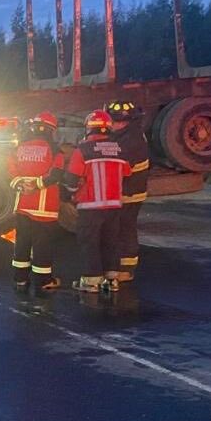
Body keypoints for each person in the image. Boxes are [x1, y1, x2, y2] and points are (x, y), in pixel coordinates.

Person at [63, 111, 130, 293]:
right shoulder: (119, 150)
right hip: (114, 205)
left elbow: (71, 180)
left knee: (90, 242)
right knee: (111, 242)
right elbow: (127, 174)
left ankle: (91, 281)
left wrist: (69, 194)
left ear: (88, 128)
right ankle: (111, 280)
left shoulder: (83, 150)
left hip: (90, 206)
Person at [6, 112, 66, 294]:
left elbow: (9, 170)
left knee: (22, 242)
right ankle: (43, 281)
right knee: (42, 245)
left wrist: (20, 184)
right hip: (44, 207)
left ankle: (20, 279)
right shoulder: (55, 150)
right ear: (51, 130)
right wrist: (37, 185)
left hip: (22, 205)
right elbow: (56, 174)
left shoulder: (20, 148)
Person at [106, 100, 149, 282]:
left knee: (126, 229)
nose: (114, 125)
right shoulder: (125, 135)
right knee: (120, 229)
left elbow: (118, 163)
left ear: (128, 121)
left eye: (118, 121)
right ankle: (120, 266)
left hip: (130, 193)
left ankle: (126, 269)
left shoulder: (133, 139)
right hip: (125, 191)